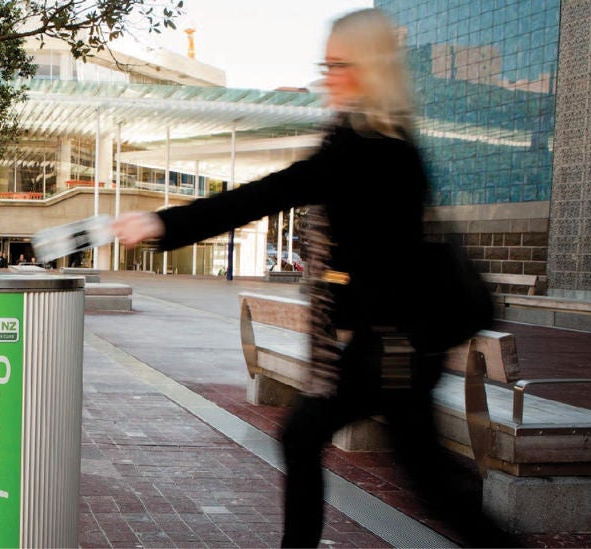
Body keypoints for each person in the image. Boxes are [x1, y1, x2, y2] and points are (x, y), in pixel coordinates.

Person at [113, 9, 513, 548]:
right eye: (324, 65)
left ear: (369, 69)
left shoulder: (370, 148)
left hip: (395, 349)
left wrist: (161, 222)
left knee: (428, 485)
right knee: (311, 440)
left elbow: (265, 195)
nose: (328, 77)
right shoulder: (369, 139)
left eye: (340, 65)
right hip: (383, 343)